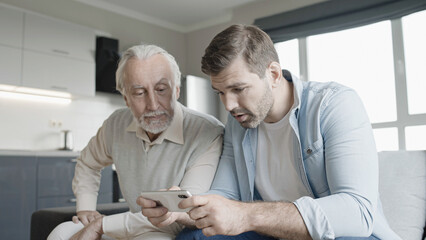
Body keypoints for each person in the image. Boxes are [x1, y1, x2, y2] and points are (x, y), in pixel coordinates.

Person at [138, 24, 401, 239]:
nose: (228, 105)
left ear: (273, 74)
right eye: (220, 93)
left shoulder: (335, 104)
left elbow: (357, 211)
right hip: (272, 233)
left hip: (345, 235)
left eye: (238, 89)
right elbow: (225, 197)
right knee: (192, 237)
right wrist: (181, 210)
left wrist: (247, 215)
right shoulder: (239, 122)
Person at [47, 44, 224, 240]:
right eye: (139, 93)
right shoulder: (116, 124)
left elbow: (184, 209)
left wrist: (103, 225)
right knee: (61, 233)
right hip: (125, 227)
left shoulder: (208, 132)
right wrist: (86, 210)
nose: (153, 104)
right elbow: (88, 163)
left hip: (165, 232)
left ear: (176, 90)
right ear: (126, 98)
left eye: (161, 89)